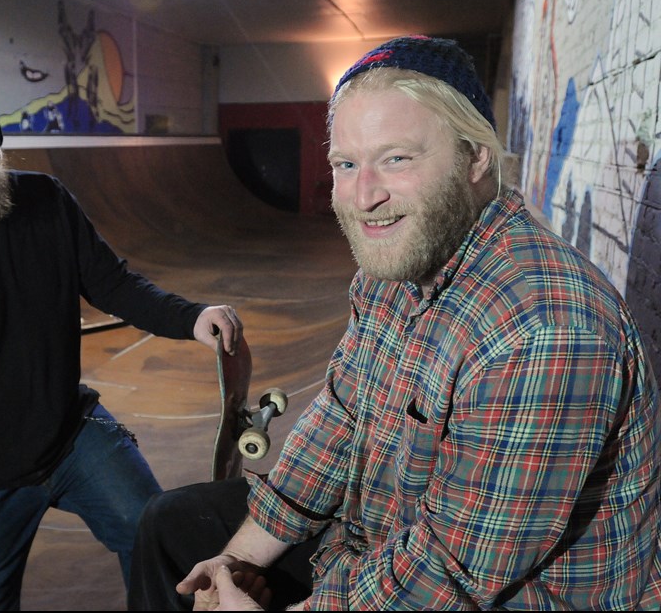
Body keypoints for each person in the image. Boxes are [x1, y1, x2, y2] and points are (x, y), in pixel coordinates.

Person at [127, 35, 661, 610]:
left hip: (508, 595)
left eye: (397, 158)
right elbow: (340, 419)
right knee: (172, 527)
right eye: (347, 163)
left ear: (475, 156)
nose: (365, 196)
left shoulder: (544, 330)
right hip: (379, 533)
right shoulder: (394, 272)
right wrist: (236, 564)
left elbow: (445, 579)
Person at [0, 68, 243, 611]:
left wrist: (190, 317)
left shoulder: (46, 200)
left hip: (72, 435)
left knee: (157, 540)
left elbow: (113, 283)